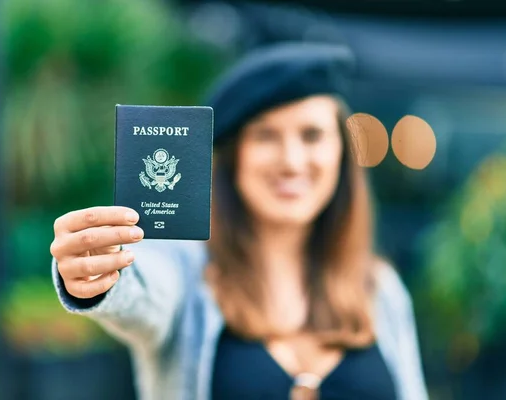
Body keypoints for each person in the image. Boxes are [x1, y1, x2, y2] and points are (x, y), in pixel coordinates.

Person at [50, 42, 428, 400]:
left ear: (341, 154)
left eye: (312, 135)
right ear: (234, 157)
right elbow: (141, 291)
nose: (292, 161)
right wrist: (97, 275)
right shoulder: (188, 277)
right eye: (266, 135)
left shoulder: (380, 290)